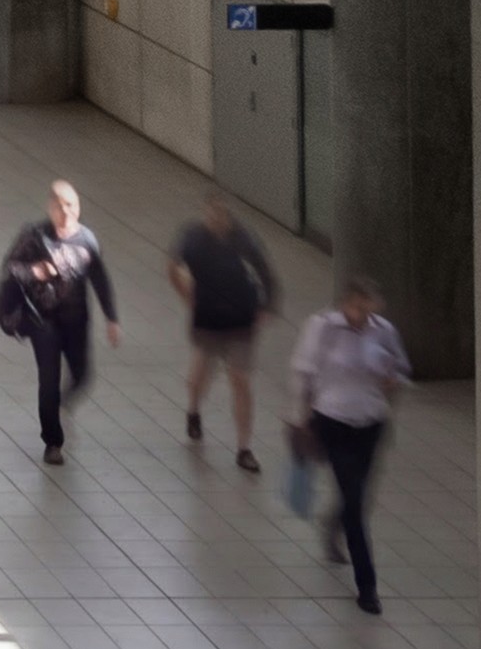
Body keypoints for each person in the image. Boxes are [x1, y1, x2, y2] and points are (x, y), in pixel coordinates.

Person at [289, 275, 412, 614]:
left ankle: (334, 523)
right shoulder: (322, 327)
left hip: (371, 422)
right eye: (358, 306)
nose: (362, 314)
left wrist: (392, 379)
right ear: (346, 303)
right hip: (332, 421)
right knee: (356, 502)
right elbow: (303, 371)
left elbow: (401, 368)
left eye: (369, 308)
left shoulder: (383, 330)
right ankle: (367, 585)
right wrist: (301, 416)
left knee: (360, 494)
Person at [0, 181, 117, 462]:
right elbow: (10, 268)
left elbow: (99, 278)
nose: (65, 211)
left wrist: (112, 317)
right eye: (59, 206)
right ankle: (53, 442)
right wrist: (34, 272)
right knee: (48, 381)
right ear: (50, 208)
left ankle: (60, 405)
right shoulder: (34, 236)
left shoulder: (87, 240)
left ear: (78, 207)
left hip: (76, 321)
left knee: (82, 374)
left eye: (70, 205)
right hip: (44, 320)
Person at [171, 190, 278, 468]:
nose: (218, 221)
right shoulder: (193, 237)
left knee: (239, 379)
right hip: (208, 318)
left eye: (222, 216)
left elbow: (265, 271)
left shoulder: (244, 237)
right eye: (212, 215)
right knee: (202, 373)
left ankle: (244, 448)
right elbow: (172, 266)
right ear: (205, 215)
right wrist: (187, 296)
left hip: (241, 319)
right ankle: (193, 410)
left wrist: (267, 305)